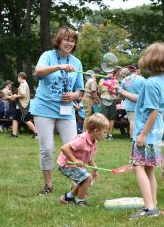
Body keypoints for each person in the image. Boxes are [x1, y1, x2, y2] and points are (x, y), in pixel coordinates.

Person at [118, 42, 164, 219]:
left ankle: (149, 208)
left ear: (149, 60)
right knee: (148, 169)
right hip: (154, 133)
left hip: (145, 133)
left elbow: (153, 111)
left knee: (138, 167)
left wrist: (142, 134)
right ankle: (153, 205)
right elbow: (141, 99)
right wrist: (121, 91)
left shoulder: (150, 83)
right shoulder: (159, 80)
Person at [30, 26, 84, 195]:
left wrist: (73, 95)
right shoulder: (47, 56)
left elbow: (80, 91)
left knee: (73, 148)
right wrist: (59, 67)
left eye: (72, 40)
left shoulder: (76, 62)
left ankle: (75, 186)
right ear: (59, 41)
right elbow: (38, 71)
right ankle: (48, 185)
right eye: (67, 40)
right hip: (44, 107)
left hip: (66, 110)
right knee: (47, 148)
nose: (70, 43)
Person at [57, 113, 109, 206]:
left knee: (85, 180)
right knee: (86, 178)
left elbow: (89, 157)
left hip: (73, 165)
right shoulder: (81, 139)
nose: (106, 134)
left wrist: (95, 169)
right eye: (104, 132)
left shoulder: (94, 141)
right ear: (96, 131)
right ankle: (81, 201)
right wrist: (75, 160)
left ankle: (67, 198)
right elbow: (64, 148)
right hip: (66, 165)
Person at [6, 72, 38, 139]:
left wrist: (15, 96)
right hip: (21, 105)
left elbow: (23, 95)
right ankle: (14, 135)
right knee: (15, 119)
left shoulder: (23, 84)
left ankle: (37, 133)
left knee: (25, 119)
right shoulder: (24, 84)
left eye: (18, 77)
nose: (17, 79)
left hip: (23, 105)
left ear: (20, 77)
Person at [121, 64, 145, 141]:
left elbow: (121, 92)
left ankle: (132, 137)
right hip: (141, 104)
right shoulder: (142, 79)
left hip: (129, 104)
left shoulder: (125, 80)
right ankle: (139, 136)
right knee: (140, 122)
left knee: (132, 121)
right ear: (137, 70)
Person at [98, 71, 119, 140]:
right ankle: (108, 135)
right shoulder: (115, 81)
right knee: (108, 118)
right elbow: (118, 92)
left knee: (107, 118)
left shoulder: (102, 80)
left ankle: (107, 134)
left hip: (106, 99)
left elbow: (99, 91)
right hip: (110, 99)